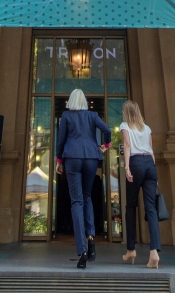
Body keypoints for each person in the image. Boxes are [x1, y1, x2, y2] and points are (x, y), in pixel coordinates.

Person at [55, 89, 111, 269]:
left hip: (72, 157)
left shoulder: (66, 116)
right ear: (85, 101)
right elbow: (107, 130)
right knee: (87, 197)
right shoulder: (92, 115)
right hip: (91, 158)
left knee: (76, 201)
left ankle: (82, 251)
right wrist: (106, 145)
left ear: (71, 101)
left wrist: (58, 160)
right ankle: (91, 237)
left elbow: (61, 140)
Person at [120, 100, 160, 269]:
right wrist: (155, 173)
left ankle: (131, 249)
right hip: (150, 164)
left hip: (136, 162)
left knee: (131, 206)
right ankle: (154, 252)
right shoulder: (147, 128)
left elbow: (127, 145)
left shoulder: (125, 125)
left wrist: (127, 167)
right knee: (151, 208)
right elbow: (151, 150)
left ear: (126, 112)